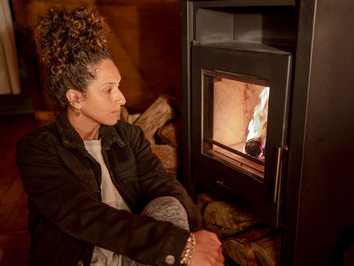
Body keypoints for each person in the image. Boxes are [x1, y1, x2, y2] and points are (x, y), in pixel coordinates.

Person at [16, 6, 224, 266]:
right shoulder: (37, 149)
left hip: (136, 253)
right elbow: (86, 217)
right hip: (85, 258)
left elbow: (164, 186)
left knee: (168, 203)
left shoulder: (129, 136)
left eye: (119, 86)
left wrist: (201, 236)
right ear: (75, 98)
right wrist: (182, 246)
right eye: (108, 90)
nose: (121, 98)